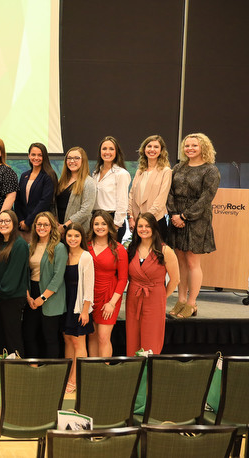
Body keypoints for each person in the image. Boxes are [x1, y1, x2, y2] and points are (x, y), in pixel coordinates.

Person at [166, 133, 221, 319]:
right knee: (180, 260)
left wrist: (185, 216)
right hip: (176, 218)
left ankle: (191, 303)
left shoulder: (210, 170)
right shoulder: (179, 167)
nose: (190, 148)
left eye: (194, 146)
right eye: (187, 145)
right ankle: (181, 300)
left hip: (197, 220)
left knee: (192, 262)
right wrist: (174, 214)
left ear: (203, 147)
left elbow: (207, 198)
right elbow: (170, 192)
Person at [0, 209, 28, 390]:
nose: (3, 224)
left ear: (15, 223)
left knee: (12, 339)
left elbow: (13, 276)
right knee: (0, 339)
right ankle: (1, 378)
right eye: (0, 221)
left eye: (7, 221)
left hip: (11, 298)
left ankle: (17, 379)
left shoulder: (19, 245)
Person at [126, 213, 180, 354]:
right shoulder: (131, 248)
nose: (143, 229)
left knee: (151, 339)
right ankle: (133, 371)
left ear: (154, 228)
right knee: (132, 337)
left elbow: (175, 280)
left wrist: (162, 296)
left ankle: (148, 373)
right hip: (133, 298)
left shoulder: (165, 250)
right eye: (140, 226)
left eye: (147, 226)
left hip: (155, 298)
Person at [23, 212, 67, 359]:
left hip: (50, 295)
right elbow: (25, 273)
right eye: (39, 224)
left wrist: (42, 298)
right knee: (29, 334)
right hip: (32, 292)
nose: (42, 227)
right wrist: (29, 297)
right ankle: (34, 368)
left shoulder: (59, 248)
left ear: (51, 227)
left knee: (50, 337)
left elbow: (58, 277)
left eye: (45, 224)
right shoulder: (30, 246)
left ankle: (52, 373)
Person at [87, 211, 128, 358]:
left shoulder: (119, 249)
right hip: (89, 297)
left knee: (103, 337)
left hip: (109, 296)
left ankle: (104, 374)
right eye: (96, 224)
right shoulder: (86, 246)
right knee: (91, 336)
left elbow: (123, 279)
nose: (100, 227)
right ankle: (91, 370)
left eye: (103, 224)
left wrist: (112, 303)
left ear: (109, 226)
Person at [62, 222, 94, 394]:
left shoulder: (86, 257)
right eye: (69, 235)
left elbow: (89, 287)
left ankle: (75, 380)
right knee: (67, 339)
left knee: (78, 341)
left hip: (79, 304)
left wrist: (85, 310)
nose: (72, 239)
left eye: (76, 236)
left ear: (82, 238)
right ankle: (68, 375)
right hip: (65, 303)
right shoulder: (63, 254)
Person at [128, 135, 173, 241]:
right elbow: (131, 195)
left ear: (161, 150)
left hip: (155, 221)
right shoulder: (140, 171)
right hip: (137, 223)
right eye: (149, 146)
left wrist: (146, 220)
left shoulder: (166, 171)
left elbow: (161, 200)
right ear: (144, 149)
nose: (152, 149)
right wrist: (130, 217)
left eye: (156, 147)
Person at [92, 136, 131, 241]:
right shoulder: (95, 173)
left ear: (116, 152)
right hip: (96, 219)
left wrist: (116, 226)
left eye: (111, 149)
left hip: (112, 220)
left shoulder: (121, 173)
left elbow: (122, 202)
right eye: (104, 149)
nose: (107, 152)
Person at [15, 142, 57, 240]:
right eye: (33, 154)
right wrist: (21, 220)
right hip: (22, 226)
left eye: (40, 155)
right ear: (29, 155)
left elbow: (44, 202)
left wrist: (28, 222)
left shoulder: (49, 176)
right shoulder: (24, 175)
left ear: (44, 157)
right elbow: (18, 201)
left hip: (40, 225)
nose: (36, 158)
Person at [56, 147, 97, 234]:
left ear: (83, 161)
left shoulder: (89, 182)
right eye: (69, 158)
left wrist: (65, 226)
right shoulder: (62, 181)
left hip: (77, 232)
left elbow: (86, 210)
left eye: (76, 158)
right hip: (58, 231)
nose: (72, 161)